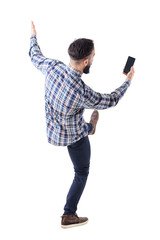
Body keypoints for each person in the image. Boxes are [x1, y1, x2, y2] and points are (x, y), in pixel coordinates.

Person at [29, 21, 135, 228]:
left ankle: (90, 127)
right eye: (94, 56)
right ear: (86, 61)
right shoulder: (82, 93)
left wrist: (33, 36)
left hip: (53, 131)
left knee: (83, 125)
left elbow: (34, 55)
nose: (94, 58)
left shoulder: (52, 67)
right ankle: (69, 214)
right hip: (73, 135)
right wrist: (128, 81)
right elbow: (111, 100)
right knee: (82, 172)